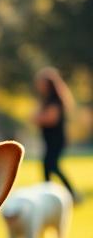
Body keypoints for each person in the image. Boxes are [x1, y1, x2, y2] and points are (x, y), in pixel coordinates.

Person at [34, 67, 79, 202]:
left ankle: (71, 193)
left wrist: (38, 118)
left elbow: (51, 119)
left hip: (56, 140)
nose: (38, 86)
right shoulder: (47, 99)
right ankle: (48, 194)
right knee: (48, 166)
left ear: (48, 84)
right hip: (49, 140)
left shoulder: (54, 100)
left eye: (41, 83)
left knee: (51, 165)